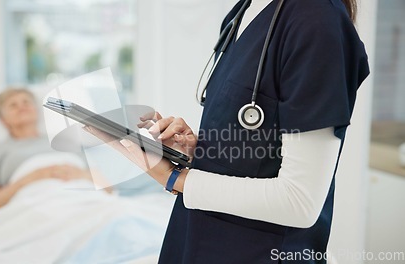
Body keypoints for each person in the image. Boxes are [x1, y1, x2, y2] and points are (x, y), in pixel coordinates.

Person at [85, 0, 370, 263]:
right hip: (197, 238)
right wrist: (199, 150)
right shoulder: (243, 12)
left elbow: (300, 201)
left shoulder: (316, 21)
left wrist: (174, 177)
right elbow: (262, 150)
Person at [0, 88, 95, 214]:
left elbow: (108, 188)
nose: (22, 107)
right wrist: (30, 179)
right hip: (36, 202)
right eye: (13, 105)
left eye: (26, 102)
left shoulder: (64, 141)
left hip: (84, 197)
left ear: (36, 111)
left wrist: (82, 175)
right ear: (3, 119)